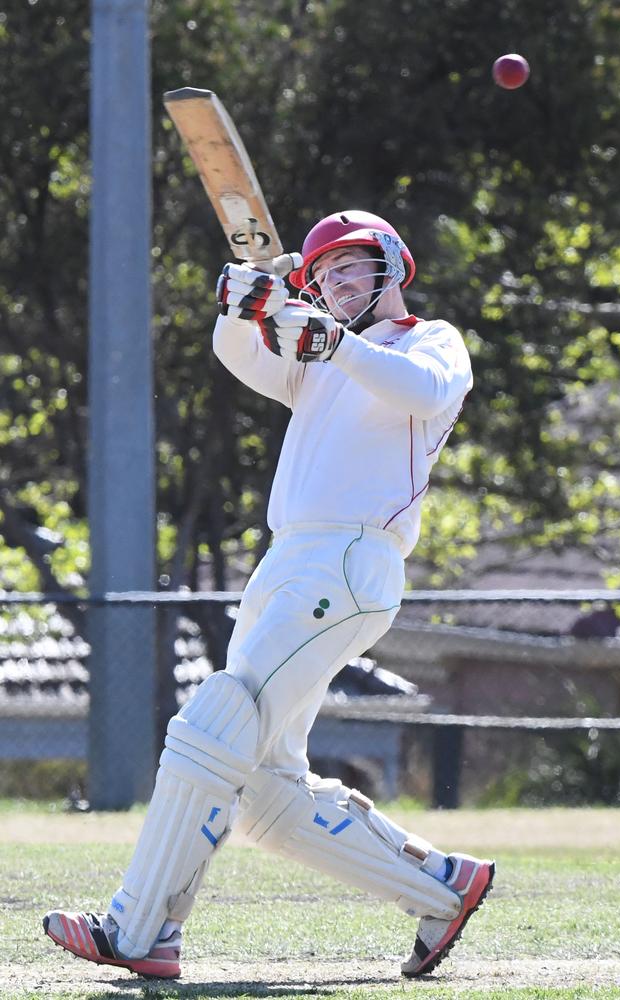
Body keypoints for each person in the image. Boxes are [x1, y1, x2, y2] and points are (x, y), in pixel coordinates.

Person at [43, 209, 494, 981]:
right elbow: (242, 356)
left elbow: (424, 393)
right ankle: (441, 887)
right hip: (289, 563)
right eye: (322, 276)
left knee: (216, 720)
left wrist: (334, 338)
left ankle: (139, 926)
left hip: (350, 559)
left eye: (350, 266)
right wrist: (244, 304)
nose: (335, 283)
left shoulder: (427, 340)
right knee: (265, 792)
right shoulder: (318, 363)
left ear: (390, 262)